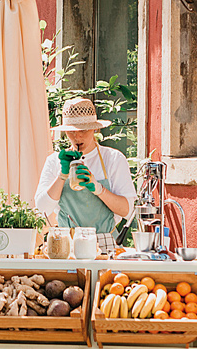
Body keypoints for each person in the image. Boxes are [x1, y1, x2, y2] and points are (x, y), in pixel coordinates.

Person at [34, 98, 136, 255]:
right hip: (66, 244)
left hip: (104, 244)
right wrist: (62, 175)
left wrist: (99, 189)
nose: (77, 137)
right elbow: (42, 209)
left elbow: (127, 211)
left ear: (95, 129)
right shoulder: (54, 161)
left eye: (83, 130)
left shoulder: (113, 159)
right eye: (71, 131)